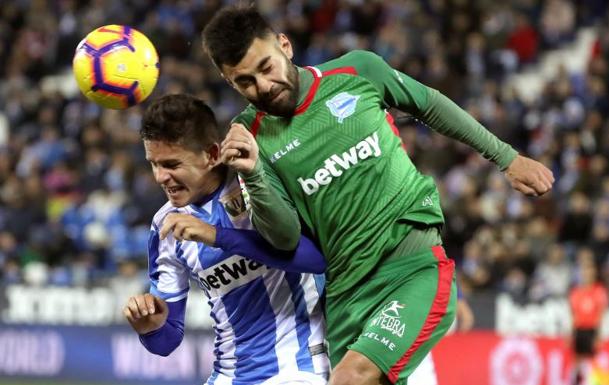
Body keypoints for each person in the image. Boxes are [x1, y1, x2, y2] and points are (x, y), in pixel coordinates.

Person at [202, 6, 554, 385]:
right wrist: (253, 174)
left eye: (266, 67)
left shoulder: (356, 71)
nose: (264, 86)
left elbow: (430, 105)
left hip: (411, 266)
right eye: (245, 82)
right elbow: (284, 237)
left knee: (351, 378)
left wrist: (506, 157)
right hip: (344, 294)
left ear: (284, 45)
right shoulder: (247, 137)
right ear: (230, 82)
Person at [122, 94, 330, 385]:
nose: (160, 177)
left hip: (300, 368)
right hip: (228, 375)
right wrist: (150, 326)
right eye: (153, 164)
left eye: (171, 164)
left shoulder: (257, 184)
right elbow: (166, 342)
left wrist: (217, 236)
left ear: (211, 154)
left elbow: (317, 260)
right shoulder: (165, 224)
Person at [569, 260, 609, 385]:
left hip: (592, 329)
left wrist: (598, 334)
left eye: (589, 271)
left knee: (593, 361)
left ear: (594, 273)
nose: (587, 274)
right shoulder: (576, 292)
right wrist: (571, 333)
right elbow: (573, 314)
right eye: (584, 271)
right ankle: (574, 381)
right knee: (577, 360)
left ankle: (594, 382)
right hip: (579, 329)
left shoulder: (599, 291)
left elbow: (601, 314)